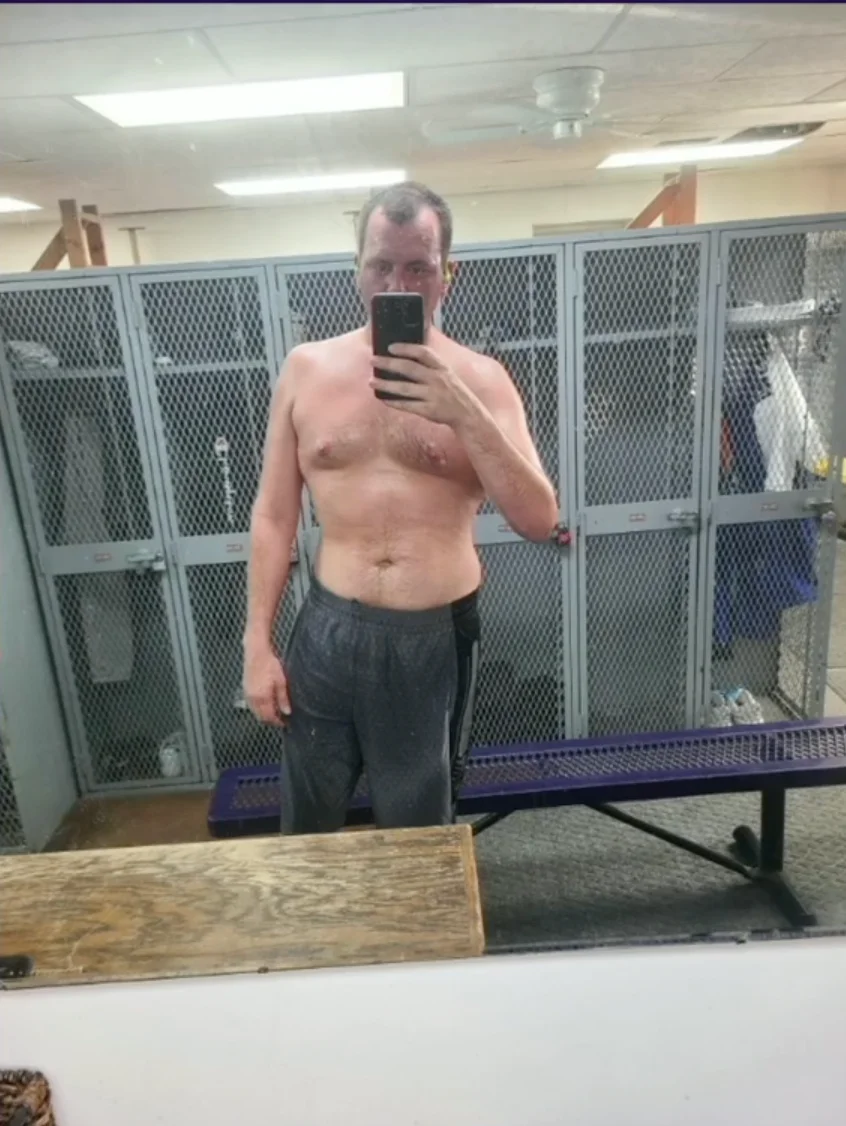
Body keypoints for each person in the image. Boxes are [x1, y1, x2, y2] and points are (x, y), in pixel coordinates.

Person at [243, 180, 558, 834]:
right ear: (356, 269)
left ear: (448, 274)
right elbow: (273, 516)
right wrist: (257, 644)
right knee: (307, 829)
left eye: (418, 267)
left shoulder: (483, 381)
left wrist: (464, 414)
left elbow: (539, 519)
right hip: (328, 629)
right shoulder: (306, 370)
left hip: (432, 639)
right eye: (381, 266)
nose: (398, 284)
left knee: (420, 832)